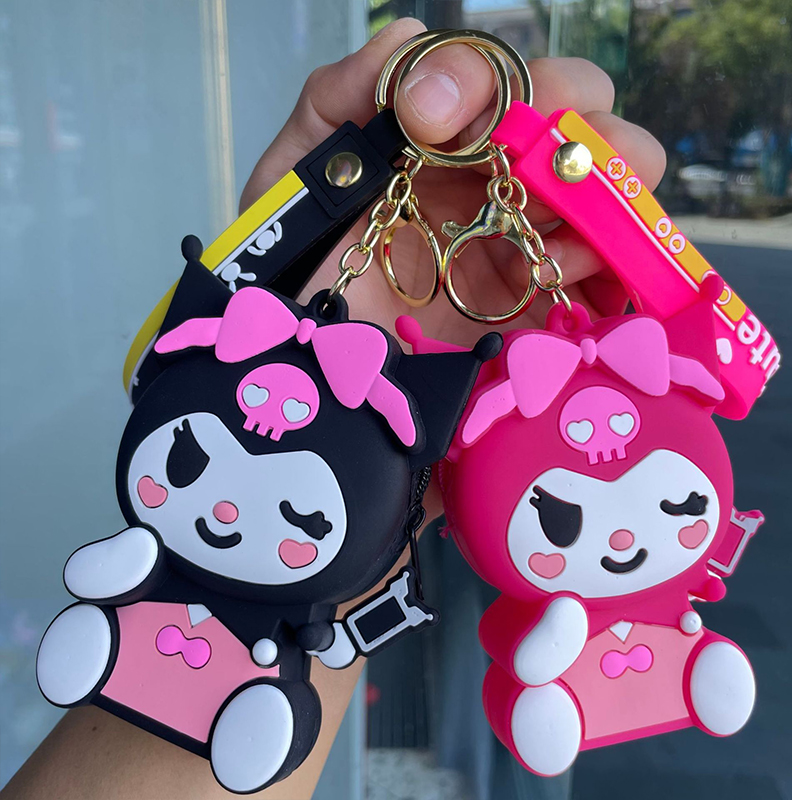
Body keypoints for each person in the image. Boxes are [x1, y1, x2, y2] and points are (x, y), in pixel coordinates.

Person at [1, 17, 666, 800]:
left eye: (298, 513)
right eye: (188, 462)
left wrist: (400, 481)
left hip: (254, 656)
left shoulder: (385, 435)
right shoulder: (285, 361)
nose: (226, 512)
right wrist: (305, 232)